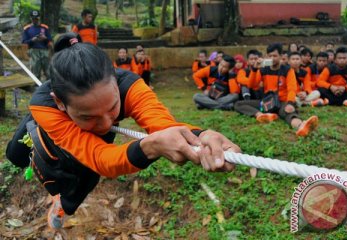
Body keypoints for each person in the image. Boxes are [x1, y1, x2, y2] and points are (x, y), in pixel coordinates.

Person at [6, 33, 239, 230]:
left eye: (113, 108)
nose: (107, 125)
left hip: (79, 133)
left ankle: (63, 205)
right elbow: (100, 157)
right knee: (15, 156)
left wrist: (202, 136)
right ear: (60, 103)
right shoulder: (45, 104)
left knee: (86, 171)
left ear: (116, 84)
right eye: (88, 116)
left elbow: (163, 125)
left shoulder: (132, 86)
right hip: (49, 118)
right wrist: (149, 147)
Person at [234, 43, 318, 137]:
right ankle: (260, 115)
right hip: (267, 102)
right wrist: (254, 70)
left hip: (283, 101)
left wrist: (290, 103)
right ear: (266, 56)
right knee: (238, 104)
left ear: (281, 56)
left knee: (289, 113)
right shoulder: (263, 69)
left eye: (275, 56)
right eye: (270, 56)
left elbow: (292, 88)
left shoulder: (287, 70)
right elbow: (251, 84)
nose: (272, 58)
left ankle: (301, 126)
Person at [22, 10, 52, 80]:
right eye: (33, 19)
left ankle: (50, 87)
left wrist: (45, 38)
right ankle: (36, 87)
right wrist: (32, 40)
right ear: (31, 18)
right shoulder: (27, 28)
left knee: (48, 72)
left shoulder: (45, 27)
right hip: (33, 51)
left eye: (36, 19)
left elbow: (50, 40)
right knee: (35, 72)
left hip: (45, 51)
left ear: (39, 18)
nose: (35, 20)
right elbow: (24, 42)